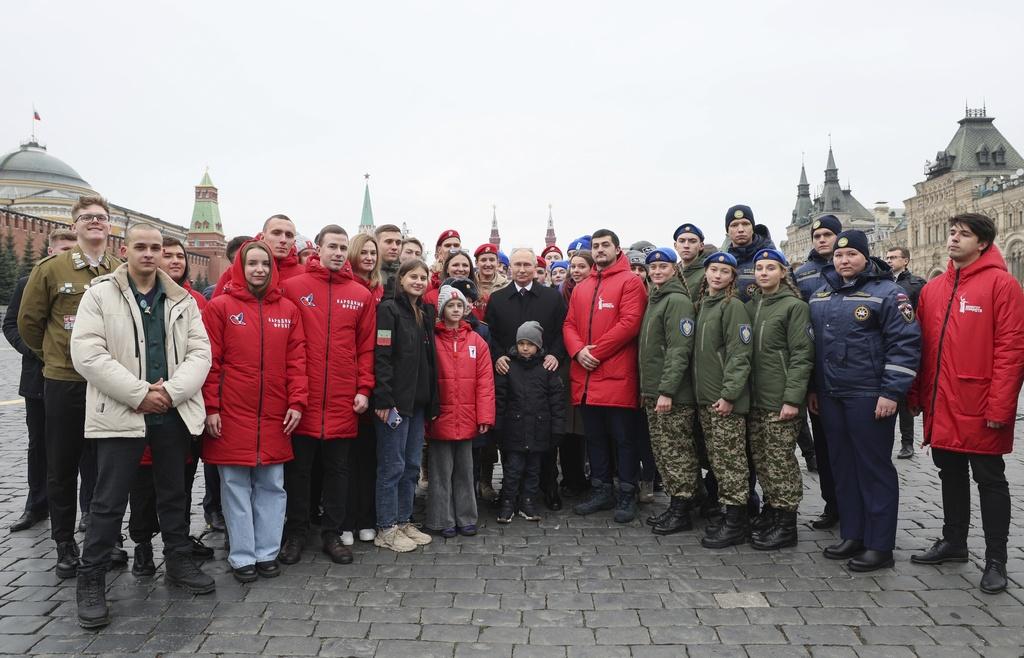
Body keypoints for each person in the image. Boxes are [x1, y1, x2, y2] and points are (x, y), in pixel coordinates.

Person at [68, 223, 214, 628]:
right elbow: (88, 354)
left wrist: (171, 393)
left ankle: (178, 561)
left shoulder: (181, 299)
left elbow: (200, 353)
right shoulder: (100, 294)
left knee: (173, 493)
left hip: (171, 412)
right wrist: (138, 394)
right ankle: (91, 578)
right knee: (108, 500)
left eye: (155, 247)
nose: (149, 254)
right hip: (121, 412)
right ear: (125, 250)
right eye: (141, 247)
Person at [908, 213, 1024, 594]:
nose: (954, 239)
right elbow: (921, 348)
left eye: (964, 234)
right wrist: (916, 395)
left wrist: (1000, 407)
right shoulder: (933, 289)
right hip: (942, 402)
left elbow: (1012, 350)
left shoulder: (1002, 285)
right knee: (949, 472)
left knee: (990, 479)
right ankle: (954, 541)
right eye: (952, 232)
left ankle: (996, 560)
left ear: (983, 243)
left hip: (980, 403)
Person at [18, 196, 118, 577]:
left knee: (105, 466)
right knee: (61, 466)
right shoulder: (51, 269)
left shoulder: (117, 269)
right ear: (74, 226)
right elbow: (29, 324)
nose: (95, 222)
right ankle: (64, 543)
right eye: (86, 217)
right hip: (65, 382)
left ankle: (103, 539)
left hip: (107, 384)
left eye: (101, 217)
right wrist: (55, 355)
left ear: (109, 226)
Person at [808, 230, 920, 572]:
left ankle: (879, 545)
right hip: (831, 394)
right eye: (839, 256)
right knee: (842, 467)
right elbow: (813, 347)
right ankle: (853, 534)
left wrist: (891, 392)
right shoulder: (822, 293)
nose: (844, 260)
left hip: (869, 395)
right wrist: (814, 388)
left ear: (866, 257)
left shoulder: (889, 293)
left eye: (851, 255)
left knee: (873, 469)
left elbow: (905, 345)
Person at [202, 241, 308, 582]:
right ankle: (242, 555)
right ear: (240, 267)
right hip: (232, 411)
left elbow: (297, 360)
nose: (259, 269)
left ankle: (267, 552)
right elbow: (210, 363)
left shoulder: (288, 310)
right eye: (252, 263)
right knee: (234, 485)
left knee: (272, 485)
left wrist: (297, 402)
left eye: (265, 263)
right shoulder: (220, 307)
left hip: (275, 413)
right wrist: (211, 407)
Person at [279, 225, 375, 565]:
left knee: (338, 470)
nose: (337, 252)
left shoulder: (360, 294)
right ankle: (296, 532)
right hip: (303, 398)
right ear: (317, 248)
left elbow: (366, 347)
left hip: (342, 399)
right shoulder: (293, 287)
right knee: (299, 471)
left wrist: (364, 388)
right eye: (331, 246)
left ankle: (332, 533)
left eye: (342, 247)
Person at [564, 229, 647, 523]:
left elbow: (630, 323)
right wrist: (577, 351)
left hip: (616, 376)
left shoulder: (630, 282)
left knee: (624, 439)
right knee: (595, 438)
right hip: (586, 377)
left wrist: (594, 352)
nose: (599, 250)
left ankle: (627, 491)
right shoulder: (583, 286)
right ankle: (601, 489)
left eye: (605, 245)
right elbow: (569, 324)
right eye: (595, 246)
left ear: (617, 249)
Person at [3, 228, 77, 532]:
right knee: (40, 445)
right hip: (39, 379)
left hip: (81, 379)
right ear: (50, 252)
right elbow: (12, 325)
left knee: (88, 449)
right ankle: (36, 505)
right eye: (63, 250)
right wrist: (38, 351)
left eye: (73, 251)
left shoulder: (90, 284)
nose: (68, 256)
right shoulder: (29, 282)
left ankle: (88, 512)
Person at [485, 248, 568, 510]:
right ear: (509, 267)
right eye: (517, 264)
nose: (521, 269)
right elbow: (491, 334)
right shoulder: (498, 299)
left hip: (542, 373)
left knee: (543, 432)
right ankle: (510, 489)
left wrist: (555, 354)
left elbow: (563, 330)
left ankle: (548, 487)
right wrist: (498, 356)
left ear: (536, 267)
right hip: (510, 375)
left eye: (527, 265)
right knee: (512, 436)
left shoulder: (551, 298)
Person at [745, 248, 813, 550]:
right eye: (759, 268)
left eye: (770, 268)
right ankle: (772, 512)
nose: (763, 273)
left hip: (780, 400)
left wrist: (792, 399)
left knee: (780, 461)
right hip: (756, 399)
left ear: (783, 273)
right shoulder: (752, 305)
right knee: (762, 460)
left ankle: (787, 524)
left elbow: (802, 355)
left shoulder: (794, 307)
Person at [372, 259, 439, 552]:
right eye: (413, 276)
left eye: (423, 277)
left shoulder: (425, 312)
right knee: (392, 466)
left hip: (418, 402)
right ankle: (386, 527)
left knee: (411, 466)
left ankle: (403, 520)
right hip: (395, 403)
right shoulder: (389, 310)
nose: (418, 281)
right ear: (401, 279)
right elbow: (382, 354)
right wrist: (384, 397)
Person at [693, 252, 753, 548]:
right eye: (713, 270)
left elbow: (739, 355)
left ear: (732, 277)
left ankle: (736, 522)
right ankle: (727, 514)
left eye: (724, 271)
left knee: (731, 462)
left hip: (723, 400)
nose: (717, 275)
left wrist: (729, 395)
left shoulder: (733, 306)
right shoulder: (705, 304)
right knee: (718, 461)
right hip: (706, 398)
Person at [638, 248, 699, 535]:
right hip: (654, 391)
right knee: (663, 451)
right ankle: (678, 504)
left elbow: (679, 350)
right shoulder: (657, 298)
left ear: (674, 269)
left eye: (663, 266)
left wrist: (667, 391)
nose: (657, 271)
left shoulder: (676, 301)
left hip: (672, 395)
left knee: (676, 452)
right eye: (653, 268)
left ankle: (682, 508)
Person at [426, 285, 495, 536]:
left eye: (459, 306)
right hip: (441, 417)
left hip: (467, 418)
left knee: (465, 471)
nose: (455, 310)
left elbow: (485, 381)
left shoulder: (476, 341)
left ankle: (466, 516)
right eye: (450, 306)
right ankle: (441, 519)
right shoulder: (432, 340)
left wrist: (485, 415)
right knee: (440, 472)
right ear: (441, 310)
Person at [793, 214, 842, 528]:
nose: (822, 240)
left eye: (828, 235)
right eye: (817, 236)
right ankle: (831, 505)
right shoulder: (803, 274)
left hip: (850, 374)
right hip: (818, 372)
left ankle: (854, 508)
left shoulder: (855, 268)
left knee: (849, 448)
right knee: (823, 447)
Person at [495, 321, 565, 524]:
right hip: (514, 430)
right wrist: (497, 426)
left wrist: (557, 429)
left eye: (530, 344)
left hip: (539, 429)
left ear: (538, 346)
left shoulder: (546, 369)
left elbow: (556, 402)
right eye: (521, 343)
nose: (525, 348)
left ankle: (528, 502)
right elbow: (500, 400)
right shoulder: (509, 367)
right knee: (513, 469)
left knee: (534, 470)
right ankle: (508, 503)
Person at [885, 245, 927, 460]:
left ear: (906, 261)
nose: (889, 260)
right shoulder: (881, 282)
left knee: (903, 397)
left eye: (894, 257)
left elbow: (922, 314)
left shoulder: (916, 284)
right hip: (886, 344)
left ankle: (907, 442)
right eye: (887, 257)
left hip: (907, 343)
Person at [212, 215, 303, 296]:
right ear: (262, 237)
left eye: (289, 235)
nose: (283, 240)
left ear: (294, 242)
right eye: (276, 233)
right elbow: (217, 306)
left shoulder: (303, 273)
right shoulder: (236, 270)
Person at [723, 205, 776, 302]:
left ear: (753, 228)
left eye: (745, 224)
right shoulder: (722, 262)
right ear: (728, 231)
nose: (740, 229)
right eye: (734, 225)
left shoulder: (774, 259)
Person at [674, 223, 716, 297]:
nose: (686, 245)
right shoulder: (671, 273)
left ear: (701, 246)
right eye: (682, 241)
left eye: (692, 241)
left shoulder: (708, 273)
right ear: (675, 245)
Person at [473, 243, 509, 320]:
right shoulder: (470, 284)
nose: (488, 264)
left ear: (497, 262)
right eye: (483, 260)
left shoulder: (507, 286)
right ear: (476, 263)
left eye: (492, 260)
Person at [348, 233, 385, 305]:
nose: (369, 258)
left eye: (373, 253)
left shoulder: (379, 287)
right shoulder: (345, 285)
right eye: (363, 253)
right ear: (352, 253)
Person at [375, 224, 403, 298]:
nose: (394, 247)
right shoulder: (365, 272)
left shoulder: (405, 274)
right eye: (388, 242)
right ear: (376, 244)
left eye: (398, 243)